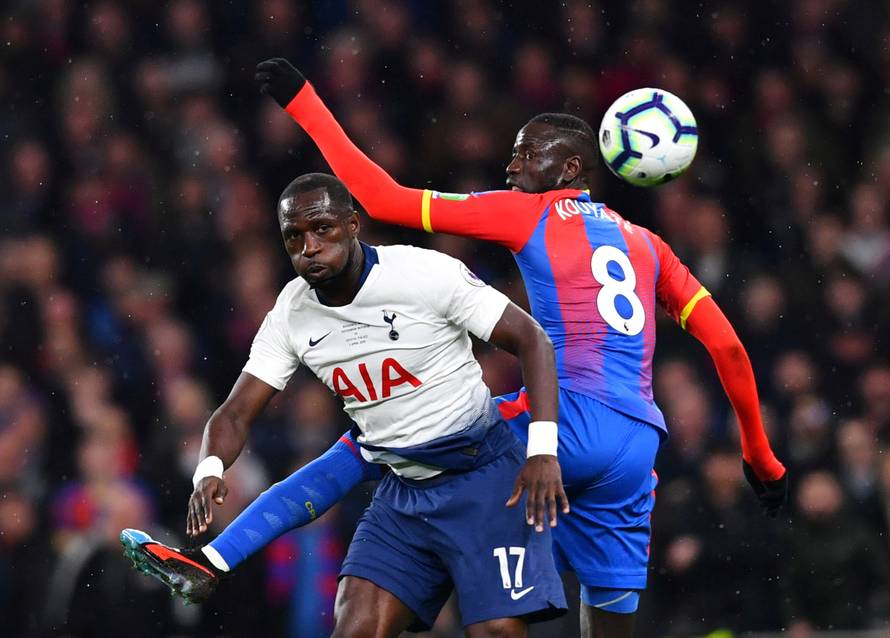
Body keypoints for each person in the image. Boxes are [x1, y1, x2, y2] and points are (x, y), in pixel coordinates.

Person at [246, 58, 790, 638]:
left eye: (527, 155)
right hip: (635, 447)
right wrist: (760, 454)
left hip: (562, 420)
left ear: (569, 169)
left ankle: (365, 585)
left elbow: (381, 200)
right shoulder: (651, 246)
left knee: (405, 439)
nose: (511, 167)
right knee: (607, 618)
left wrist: (304, 102)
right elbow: (729, 347)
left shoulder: (528, 212)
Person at [121, 172, 570, 638]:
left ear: (353, 224)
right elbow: (234, 413)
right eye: (293, 236)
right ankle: (210, 562)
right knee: (354, 629)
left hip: (483, 476)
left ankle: (213, 561)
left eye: (322, 229)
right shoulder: (291, 314)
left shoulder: (424, 274)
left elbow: (532, 341)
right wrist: (209, 468)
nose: (308, 247)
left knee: (497, 631)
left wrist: (542, 450)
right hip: (401, 491)